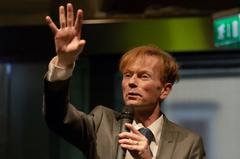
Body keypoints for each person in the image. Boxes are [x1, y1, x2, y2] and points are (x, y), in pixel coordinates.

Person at [43, 3, 206, 159]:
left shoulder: (188, 144)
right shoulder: (102, 123)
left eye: (143, 76)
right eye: (128, 75)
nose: (132, 82)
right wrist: (64, 62)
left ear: (164, 90)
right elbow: (57, 116)